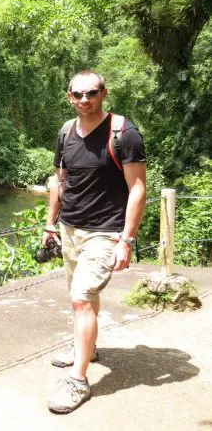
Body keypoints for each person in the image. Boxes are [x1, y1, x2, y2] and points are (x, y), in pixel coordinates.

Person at [43, 70, 146, 414]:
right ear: (69, 97)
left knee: (81, 298)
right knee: (82, 297)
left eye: (91, 93)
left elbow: (137, 188)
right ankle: (85, 346)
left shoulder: (123, 133)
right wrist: (50, 225)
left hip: (106, 231)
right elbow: (60, 180)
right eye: (78, 94)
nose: (85, 100)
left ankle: (78, 381)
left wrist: (126, 240)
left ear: (104, 93)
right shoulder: (66, 131)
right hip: (71, 229)